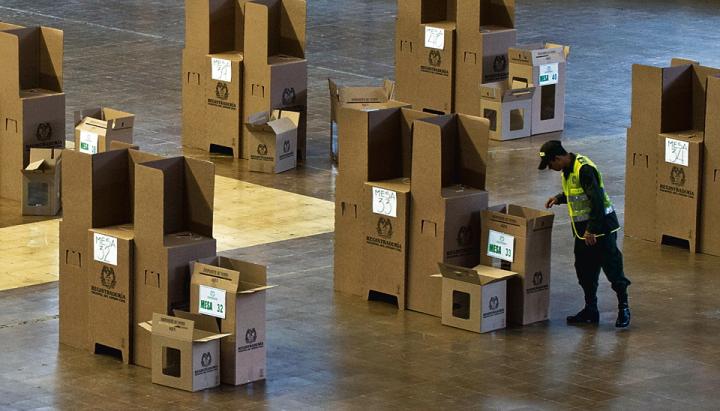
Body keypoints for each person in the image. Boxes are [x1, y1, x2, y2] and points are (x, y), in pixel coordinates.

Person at [538, 140, 631, 328]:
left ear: (558, 158)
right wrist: (559, 198)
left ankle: (624, 309)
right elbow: (577, 193)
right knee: (585, 271)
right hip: (583, 233)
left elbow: (596, 200)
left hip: (601, 230)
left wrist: (592, 229)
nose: (550, 168)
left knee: (613, 270)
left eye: (550, 164)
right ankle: (591, 310)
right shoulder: (567, 170)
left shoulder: (584, 169)